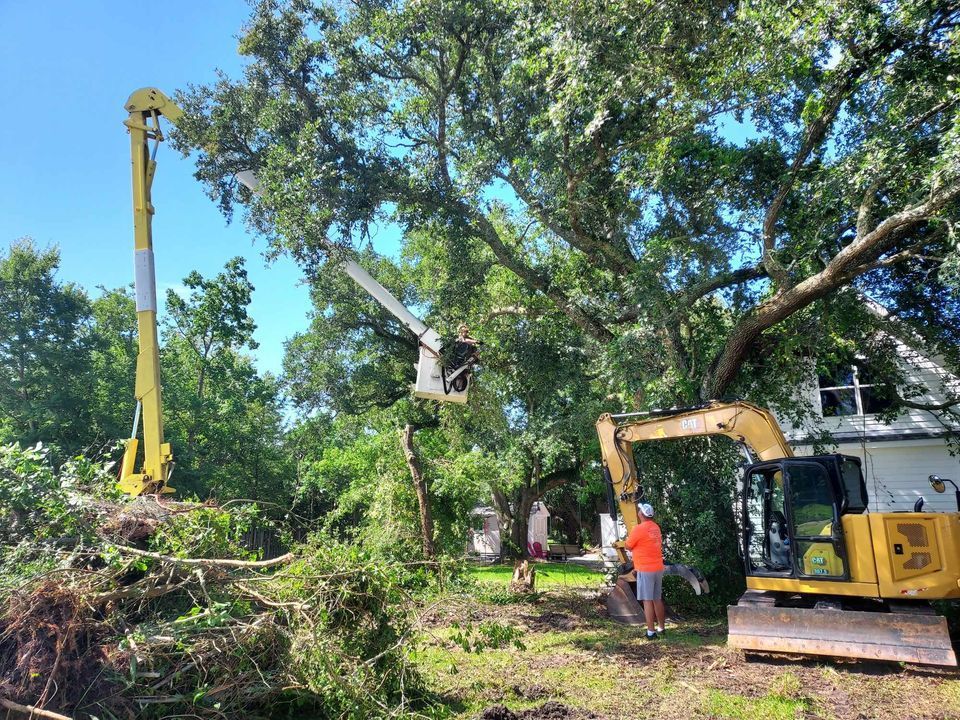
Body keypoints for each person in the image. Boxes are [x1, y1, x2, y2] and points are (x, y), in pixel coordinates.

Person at [624, 502, 666, 639]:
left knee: (647, 600)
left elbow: (629, 546)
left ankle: (650, 632)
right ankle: (661, 627)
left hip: (645, 569)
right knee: (657, 599)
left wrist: (625, 541)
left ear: (641, 514)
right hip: (658, 568)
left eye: (639, 510)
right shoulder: (656, 528)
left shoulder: (638, 529)